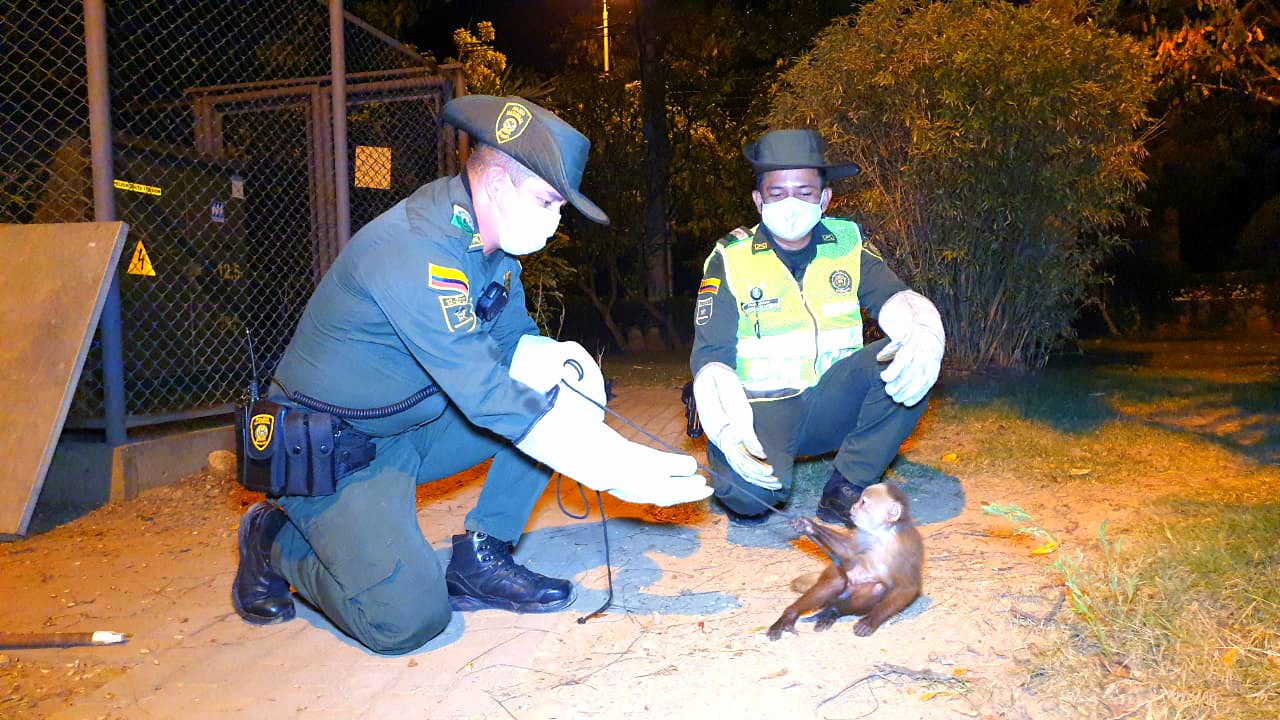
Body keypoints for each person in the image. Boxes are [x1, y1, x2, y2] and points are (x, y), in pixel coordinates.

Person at [232, 95, 711, 655]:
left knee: (563, 377)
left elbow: (516, 351)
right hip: (334, 454)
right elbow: (485, 392)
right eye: (548, 202)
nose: (556, 220)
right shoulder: (414, 247)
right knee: (408, 620)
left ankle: (482, 557)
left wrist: (582, 399)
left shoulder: (492, 252)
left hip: (416, 426)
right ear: (500, 185)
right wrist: (612, 463)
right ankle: (274, 540)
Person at [689, 128, 944, 526]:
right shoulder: (730, 258)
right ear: (758, 200)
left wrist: (926, 332)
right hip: (760, 411)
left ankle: (848, 486)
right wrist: (725, 427)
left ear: (824, 198)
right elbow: (710, 357)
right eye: (777, 193)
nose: (790, 204)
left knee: (910, 354)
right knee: (750, 498)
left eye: (805, 192)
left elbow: (896, 298)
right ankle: (733, 459)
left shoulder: (847, 243)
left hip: (832, 403)